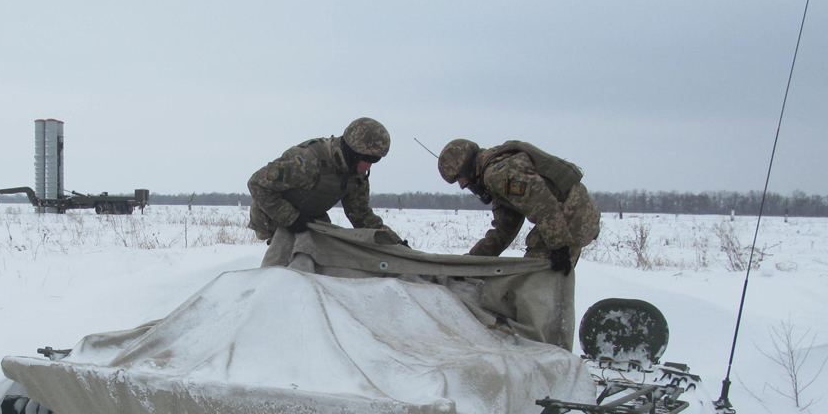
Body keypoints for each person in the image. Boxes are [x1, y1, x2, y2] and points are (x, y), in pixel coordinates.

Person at [437, 139, 600, 273]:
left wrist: (559, 247)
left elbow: (542, 204)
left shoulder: (498, 173)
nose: (462, 186)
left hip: (569, 218)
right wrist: (468, 264)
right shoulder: (494, 175)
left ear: (466, 168)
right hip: (570, 217)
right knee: (539, 281)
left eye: (460, 178)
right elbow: (503, 231)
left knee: (535, 281)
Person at [248, 117, 402, 244]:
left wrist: (393, 242)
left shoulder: (356, 174)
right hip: (272, 219)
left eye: (375, 161)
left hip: (309, 218)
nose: (368, 167)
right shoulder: (308, 162)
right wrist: (291, 219)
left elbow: (360, 215)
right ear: (353, 153)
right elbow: (257, 184)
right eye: (368, 160)